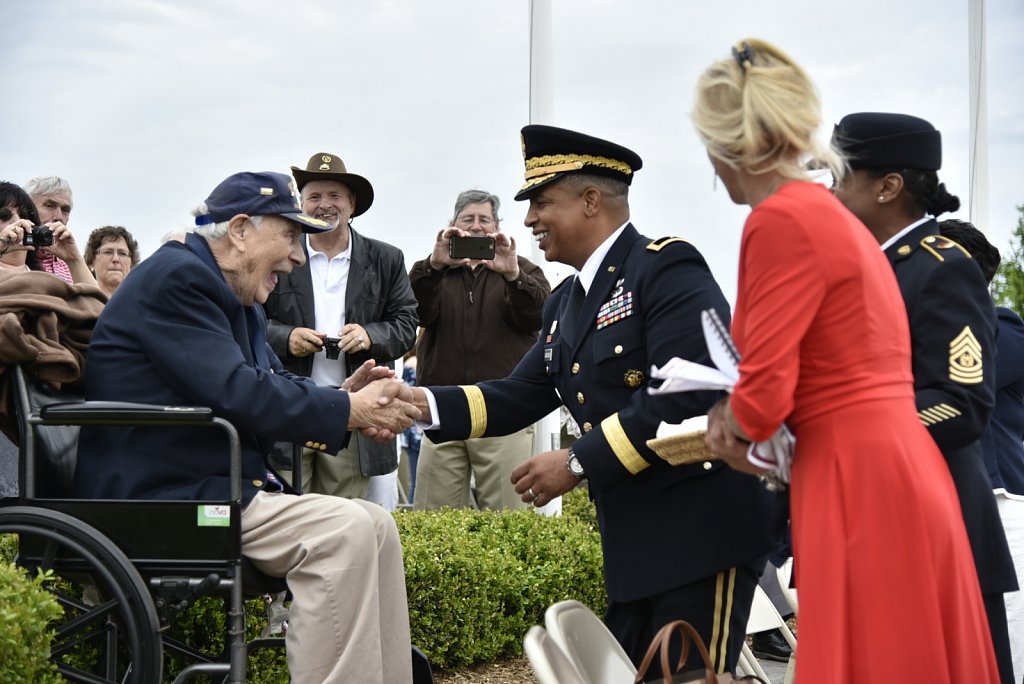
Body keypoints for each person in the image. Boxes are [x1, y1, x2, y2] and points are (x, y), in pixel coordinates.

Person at [402, 125, 777, 675]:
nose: (529, 220)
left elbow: (689, 395)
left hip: (701, 533)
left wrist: (578, 461)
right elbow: (518, 394)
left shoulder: (666, 267)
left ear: (591, 201)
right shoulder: (565, 303)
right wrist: (415, 403)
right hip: (635, 541)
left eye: (542, 203)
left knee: (690, 675)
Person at [697, 39, 1000, 682]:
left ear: (733, 145)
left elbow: (766, 392)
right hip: (895, 464)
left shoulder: (780, 219)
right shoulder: (831, 219)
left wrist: (729, 420)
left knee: (878, 657)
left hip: (854, 471)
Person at [72, 171, 418, 684]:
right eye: (290, 236)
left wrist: (341, 399)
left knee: (377, 523)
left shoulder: (237, 292)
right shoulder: (178, 278)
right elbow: (238, 390)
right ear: (238, 230)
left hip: (208, 483)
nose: (299, 256)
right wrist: (351, 413)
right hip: (162, 498)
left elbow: (265, 382)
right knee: (343, 532)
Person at [832, 112, 1017, 682]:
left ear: (888, 187)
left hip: (936, 529)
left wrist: (845, 432)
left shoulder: (943, 267)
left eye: (841, 177)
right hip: (872, 521)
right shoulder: (863, 272)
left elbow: (960, 402)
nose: (830, 193)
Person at [264, 152, 418, 509]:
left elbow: (407, 324)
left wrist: (370, 336)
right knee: (285, 513)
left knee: (343, 516)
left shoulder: (386, 259)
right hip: (288, 405)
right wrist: (285, 338)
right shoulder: (277, 253)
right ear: (301, 204)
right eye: (314, 196)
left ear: (352, 205)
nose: (324, 205)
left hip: (352, 408)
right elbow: (251, 319)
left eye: (335, 196)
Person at [409, 189, 550, 510]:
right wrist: (434, 265)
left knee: (509, 516)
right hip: (441, 407)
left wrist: (513, 275)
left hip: (502, 410)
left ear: (498, 226)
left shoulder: (522, 268)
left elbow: (540, 316)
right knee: (434, 518)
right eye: (467, 219)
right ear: (451, 225)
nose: (476, 227)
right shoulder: (433, 270)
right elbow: (414, 314)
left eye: (484, 220)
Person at [939, 218, 1024, 681]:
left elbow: (961, 380)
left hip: (1002, 505)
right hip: (944, 506)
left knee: (1004, 648)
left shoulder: (1003, 326)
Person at [0, 179, 95, 286]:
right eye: (49, 205)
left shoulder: (70, 263)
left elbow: (95, 302)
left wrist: (74, 260)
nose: (59, 217)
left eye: (24, 214)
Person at [83, 225, 140, 298]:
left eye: (122, 253)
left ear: (131, 263)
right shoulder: (78, 302)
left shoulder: (144, 304)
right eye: (108, 252)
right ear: (91, 261)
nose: (116, 259)